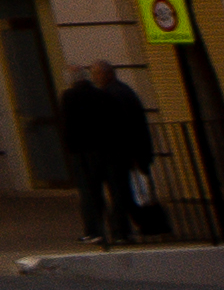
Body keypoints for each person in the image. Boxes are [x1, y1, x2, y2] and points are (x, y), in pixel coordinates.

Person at [58, 60, 161, 241]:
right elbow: (118, 122)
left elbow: (68, 127)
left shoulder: (70, 96)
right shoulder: (103, 95)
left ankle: (96, 232)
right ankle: (121, 231)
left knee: (91, 193)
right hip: (111, 150)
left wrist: (71, 150)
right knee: (117, 190)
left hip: (85, 152)